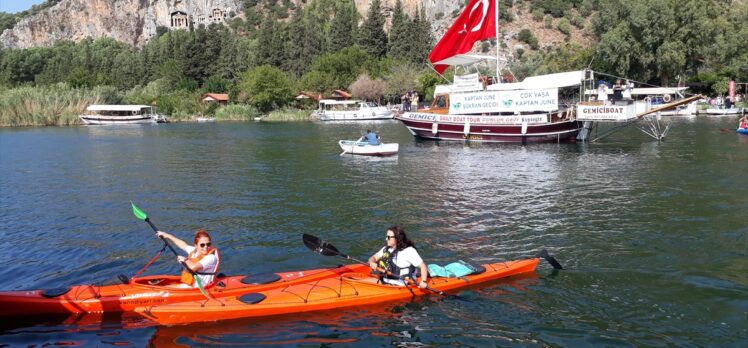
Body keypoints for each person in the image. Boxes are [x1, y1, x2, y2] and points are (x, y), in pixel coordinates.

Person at [156, 229, 220, 288]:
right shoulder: (195, 251)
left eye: (208, 244)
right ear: (196, 245)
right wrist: (167, 235)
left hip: (199, 288)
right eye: (202, 245)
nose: (206, 247)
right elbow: (183, 245)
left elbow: (193, 267)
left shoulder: (211, 257)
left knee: (162, 290)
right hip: (190, 284)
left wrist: (185, 260)